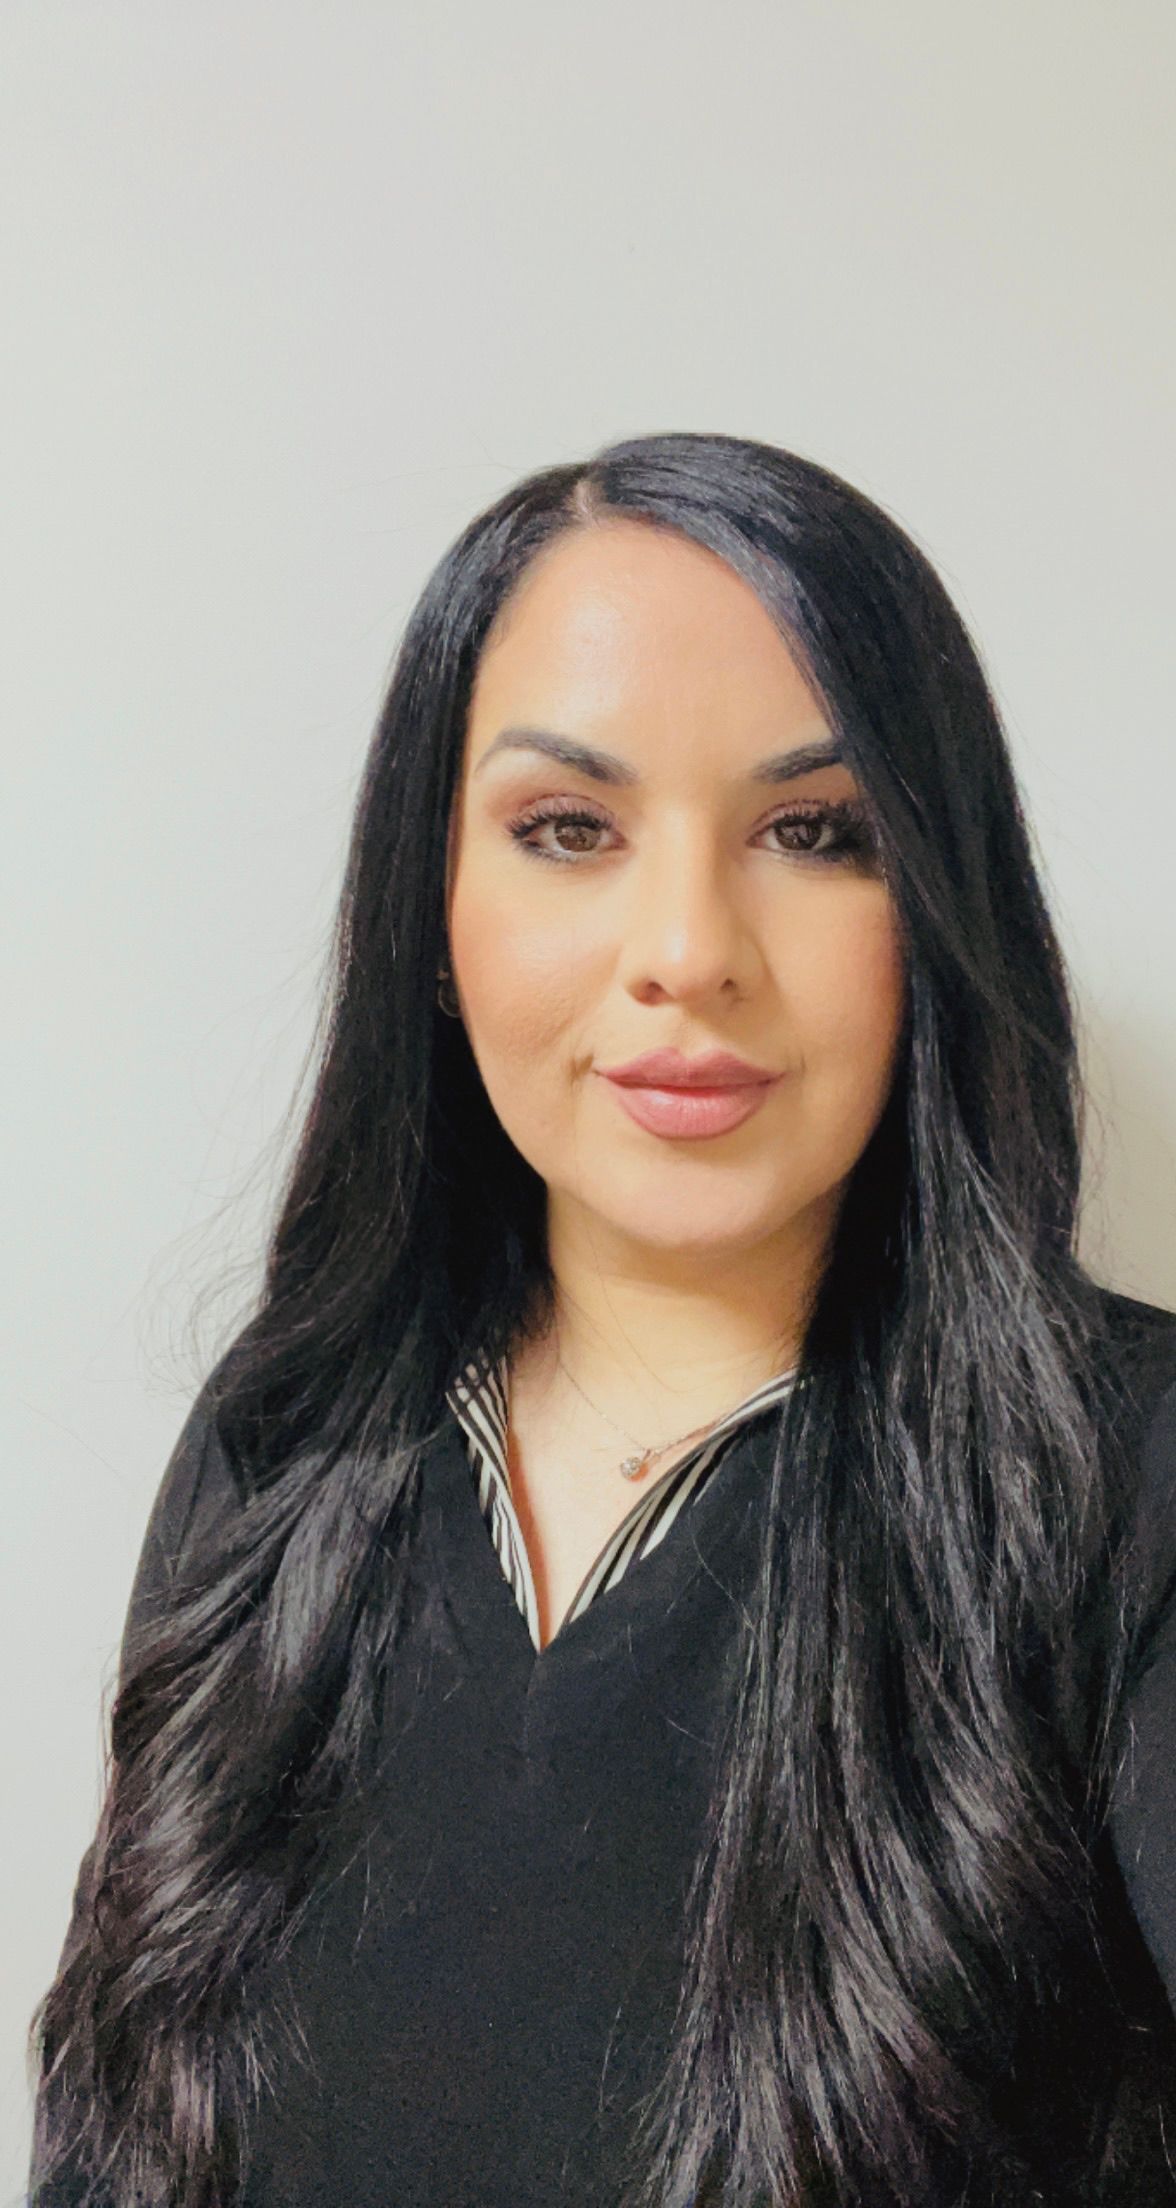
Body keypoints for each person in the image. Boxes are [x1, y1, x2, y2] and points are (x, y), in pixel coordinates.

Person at [30, 432, 1176, 2208]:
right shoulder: (283, 1456)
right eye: (569, 830)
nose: (688, 949)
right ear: (432, 915)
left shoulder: (1129, 1476)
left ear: (939, 912)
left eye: (816, 832)